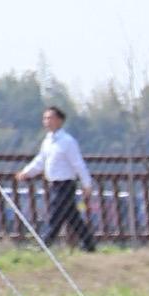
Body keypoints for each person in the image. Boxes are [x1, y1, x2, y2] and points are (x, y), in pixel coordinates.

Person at [19, 105, 96, 252]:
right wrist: (26, 172)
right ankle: (89, 245)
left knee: (55, 215)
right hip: (53, 184)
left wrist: (87, 184)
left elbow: (78, 164)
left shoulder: (67, 141)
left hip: (66, 184)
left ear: (60, 121)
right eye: (45, 118)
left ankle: (45, 244)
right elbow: (40, 161)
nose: (47, 121)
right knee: (72, 217)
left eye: (50, 118)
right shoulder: (48, 141)